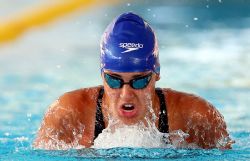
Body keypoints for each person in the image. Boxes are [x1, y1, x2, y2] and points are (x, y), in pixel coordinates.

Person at [33, 12, 234, 149]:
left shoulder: (196, 118)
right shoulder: (67, 115)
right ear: (102, 75)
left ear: (156, 74)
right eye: (114, 81)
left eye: (139, 81)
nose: (126, 94)